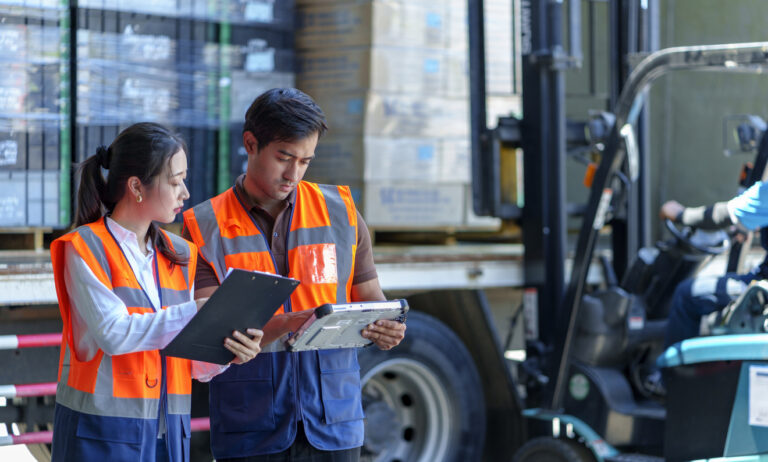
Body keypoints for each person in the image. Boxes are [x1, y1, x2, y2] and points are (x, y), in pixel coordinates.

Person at [182, 88, 406, 461]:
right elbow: (208, 336)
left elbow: (372, 301)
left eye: (305, 161)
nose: (293, 173)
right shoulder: (204, 226)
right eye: (284, 158)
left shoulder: (342, 214)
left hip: (334, 422)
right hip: (251, 425)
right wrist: (292, 322)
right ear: (250, 144)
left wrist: (387, 327)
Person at [49, 122, 263, 462]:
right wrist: (199, 311)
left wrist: (227, 348)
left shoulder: (181, 254)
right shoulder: (85, 247)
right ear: (136, 186)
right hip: (101, 435)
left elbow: (190, 361)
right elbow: (114, 334)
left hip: (168, 434)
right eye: (175, 181)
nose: (186, 193)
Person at [660, 179, 768, 349]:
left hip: (764, 288)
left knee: (686, 294)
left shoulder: (765, 192)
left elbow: (719, 216)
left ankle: (672, 373)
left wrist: (680, 214)